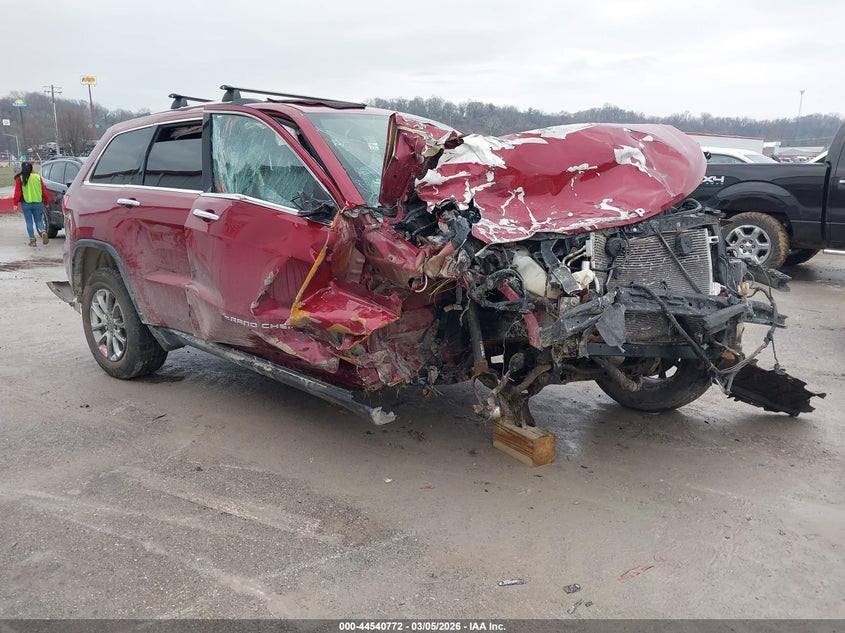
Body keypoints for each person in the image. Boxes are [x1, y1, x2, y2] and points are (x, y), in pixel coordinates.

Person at [12, 162, 53, 247]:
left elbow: (18, 192)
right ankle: (43, 231)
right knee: (39, 220)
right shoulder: (37, 177)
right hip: (38, 202)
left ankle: (32, 241)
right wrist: (46, 202)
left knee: (29, 222)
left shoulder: (20, 178)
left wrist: (15, 203)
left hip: (26, 203)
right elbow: (44, 191)